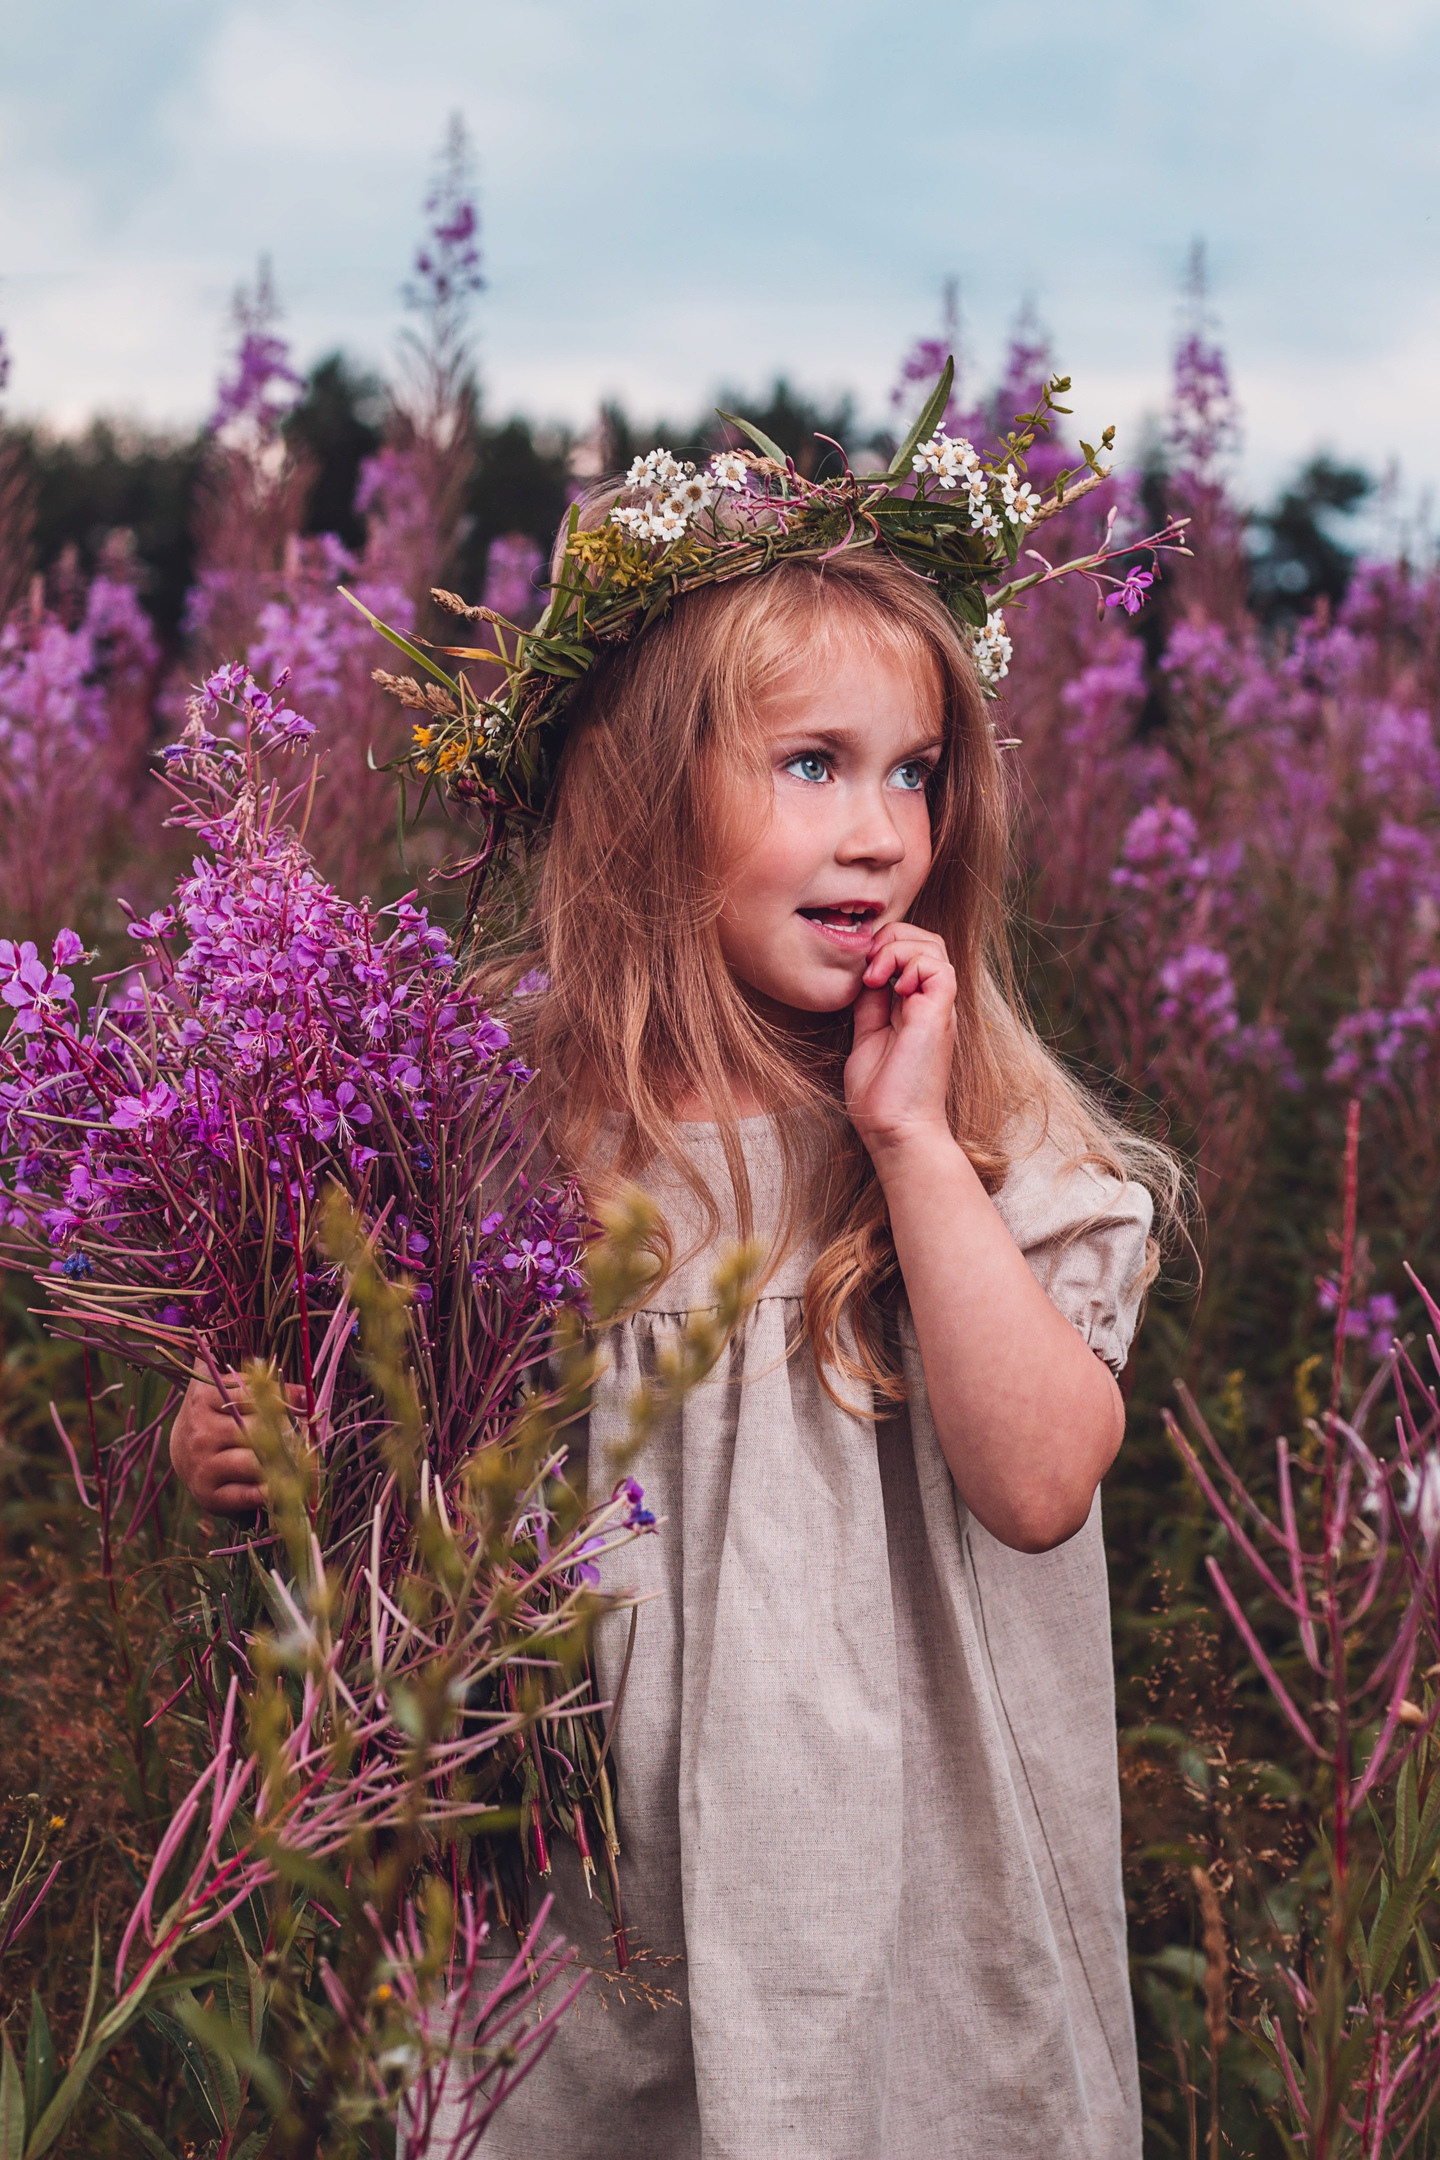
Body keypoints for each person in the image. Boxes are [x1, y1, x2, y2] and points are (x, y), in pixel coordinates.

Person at [171, 508, 1179, 2158]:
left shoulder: (981, 1123)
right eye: (811, 766)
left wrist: (913, 1147)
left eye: (915, 772)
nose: (879, 834)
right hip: (579, 1876)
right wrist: (235, 1444)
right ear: (643, 795)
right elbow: (374, 1436)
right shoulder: (495, 1112)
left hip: (900, 1864)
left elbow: (1042, 1482)